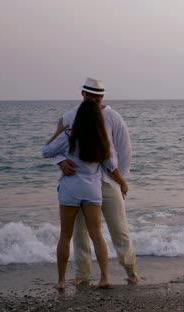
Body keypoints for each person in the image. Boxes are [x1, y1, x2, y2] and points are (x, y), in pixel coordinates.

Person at [50, 77, 140, 285]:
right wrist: (62, 162)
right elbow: (54, 147)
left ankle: (131, 270)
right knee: (81, 233)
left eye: (97, 97)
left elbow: (124, 151)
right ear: (82, 94)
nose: (93, 100)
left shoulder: (113, 118)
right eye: (90, 95)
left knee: (119, 229)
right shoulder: (69, 118)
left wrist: (119, 181)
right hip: (80, 182)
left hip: (108, 183)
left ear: (102, 97)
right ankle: (83, 274)